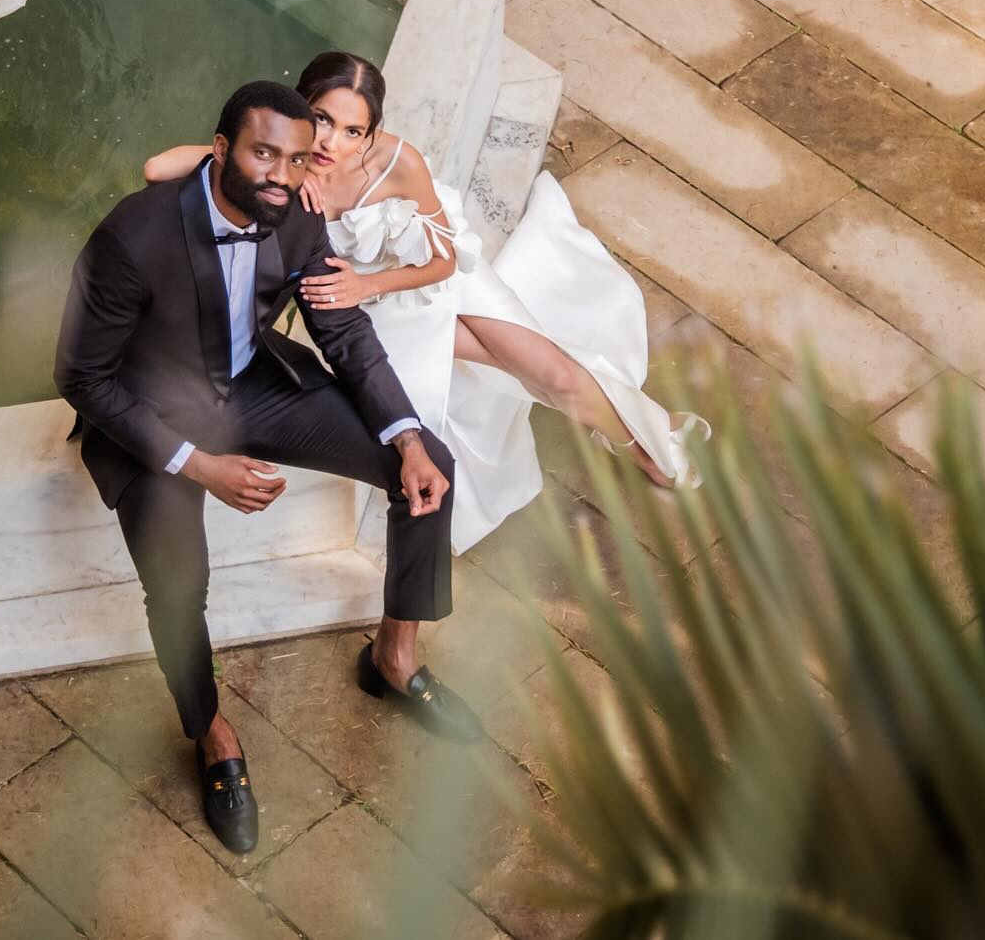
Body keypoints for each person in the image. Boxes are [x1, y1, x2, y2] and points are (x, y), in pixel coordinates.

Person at [56, 80, 481, 860]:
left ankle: (393, 656)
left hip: (251, 388)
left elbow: (344, 331)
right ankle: (211, 732)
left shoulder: (296, 214)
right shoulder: (134, 236)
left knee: (427, 462)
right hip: (150, 419)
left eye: (293, 157)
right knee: (178, 585)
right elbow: (83, 378)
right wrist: (199, 465)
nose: (281, 173)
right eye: (262, 153)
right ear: (220, 150)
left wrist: (408, 431)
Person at [145, 52, 708, 555]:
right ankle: (629, 435)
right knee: (520, 368)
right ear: (300, 109)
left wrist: (369, 285)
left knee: (552, 369)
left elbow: (443, 260)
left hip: (431, 285)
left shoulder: (398, 163)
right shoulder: (271, 160)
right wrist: (258, 161)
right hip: (377, 320)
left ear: (371, 134)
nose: (330, 143)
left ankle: (645, 447)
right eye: (320, 120)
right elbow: (157, 167)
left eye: (351, 130)